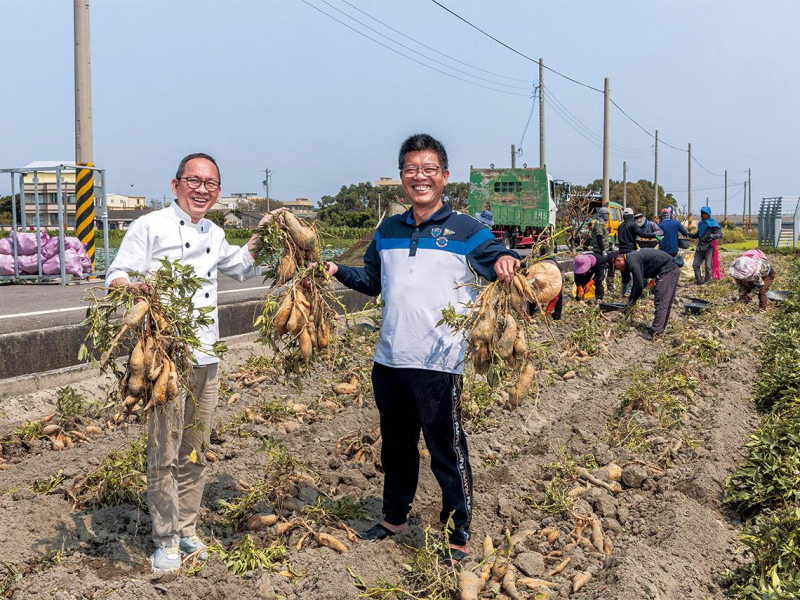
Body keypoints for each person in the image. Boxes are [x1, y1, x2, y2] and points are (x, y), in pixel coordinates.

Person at [323, 134, 520, 563]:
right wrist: (338, 269)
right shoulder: (387, 230)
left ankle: (457, 534)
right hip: (390, 359)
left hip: (439, 362)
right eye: (412, 170)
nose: (420, 177)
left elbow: (496, 256)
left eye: (429, 170)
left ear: (444, 177)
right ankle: (395, 516)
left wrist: (506, 259)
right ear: (402, 179)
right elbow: (372, 282)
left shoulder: (468, 230)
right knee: (396, 447)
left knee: (446, 448)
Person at [106, 153, 280, 572]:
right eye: (194, 180)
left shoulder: (215, 232)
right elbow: (115, 276)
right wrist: (135, 287)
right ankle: (164, 538)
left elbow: (239, 268)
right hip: (165, 357)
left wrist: (263, 235)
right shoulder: (148, 225)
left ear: (218, 192)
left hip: (206, 355)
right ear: (176, 184)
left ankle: (187, 529)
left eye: (211, 184)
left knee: (196, 449)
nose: (202, 189)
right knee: (163, 450)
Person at [614, 248, 681, 341]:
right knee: (665, 302)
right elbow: (636, 283)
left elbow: (640, 285)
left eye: (615, 267)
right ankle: (659, 330)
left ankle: (655, 332)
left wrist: (633, 300)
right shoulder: (632, 257)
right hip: (670, 270)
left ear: (618, 260)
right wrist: (631, 300)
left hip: (668, 271)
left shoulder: (632, 261)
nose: (616, 269)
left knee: (661, 302)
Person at [617, 207, 657, 295]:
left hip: (621, 252)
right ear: (631, 216)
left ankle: (624, 293)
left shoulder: (620, 226)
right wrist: (653, 235)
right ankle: (630, 292)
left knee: (625, 273)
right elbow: (641, 234)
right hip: (630, 252)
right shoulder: (633, 224)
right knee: (634, 272)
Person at [687, 206, 722, 285]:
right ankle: (699, 281)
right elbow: (698, 235)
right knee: (695, 265)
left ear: (708, 214)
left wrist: (711, 236)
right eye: (702, 213)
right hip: (700, 246)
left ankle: (707, 281)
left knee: (708, 266)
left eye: (705, 213)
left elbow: (719, 234)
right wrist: (689, 235)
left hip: (709, 247)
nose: (703, 215)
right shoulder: (701, 223)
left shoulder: (713, 223)